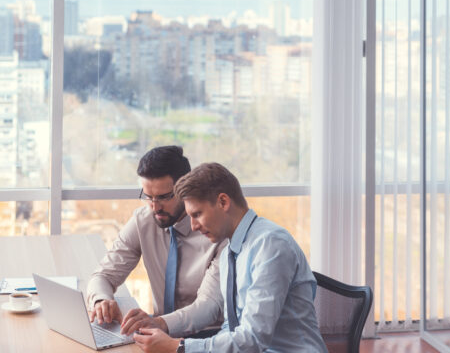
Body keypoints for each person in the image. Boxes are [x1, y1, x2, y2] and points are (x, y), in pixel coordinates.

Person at [133, 162, 327, 353]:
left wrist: (179, 347)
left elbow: (252, 340)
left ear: (223, 202)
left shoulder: (270, 245)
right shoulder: (230, 252)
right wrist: (163, 329)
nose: (193, 226)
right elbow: (221, 318)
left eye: (197, 214)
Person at [87, 146, 226, 337]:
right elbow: (102, 275)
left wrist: (159, 323)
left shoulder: (217, 232)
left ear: (186, 189)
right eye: (148, 197)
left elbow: (207, 308)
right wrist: (101, 301)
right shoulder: (144, 220)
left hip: (208, 337)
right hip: (158, 332)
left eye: (163, 197)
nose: (154, 207)